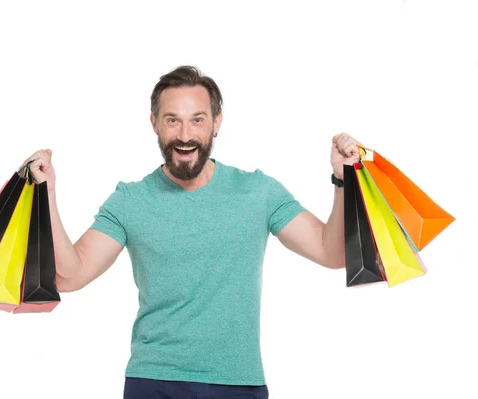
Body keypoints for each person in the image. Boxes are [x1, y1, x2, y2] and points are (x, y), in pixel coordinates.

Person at [22, 66, 361, 399]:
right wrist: (47, 192)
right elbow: (70, 275)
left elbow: (332, 253)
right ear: (154, 123)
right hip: (154, 381)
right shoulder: (130, 200)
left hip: (238, 383)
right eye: (173, 120)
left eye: (197, 119)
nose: (185, 135)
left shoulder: (258, 192)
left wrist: (344, 180)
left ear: (216, 123)